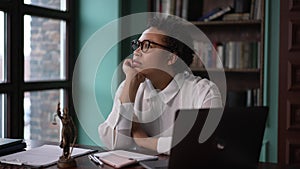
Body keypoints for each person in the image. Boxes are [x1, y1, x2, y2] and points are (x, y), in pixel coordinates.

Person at [98, 15, 223, 154]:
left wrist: (143, 140)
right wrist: (129, 84)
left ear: (171, 57)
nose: (136, 52)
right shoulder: (129, 85)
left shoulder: (204, 92)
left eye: (147, 46)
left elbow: (204, 146)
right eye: (137, 45)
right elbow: (114, 145)